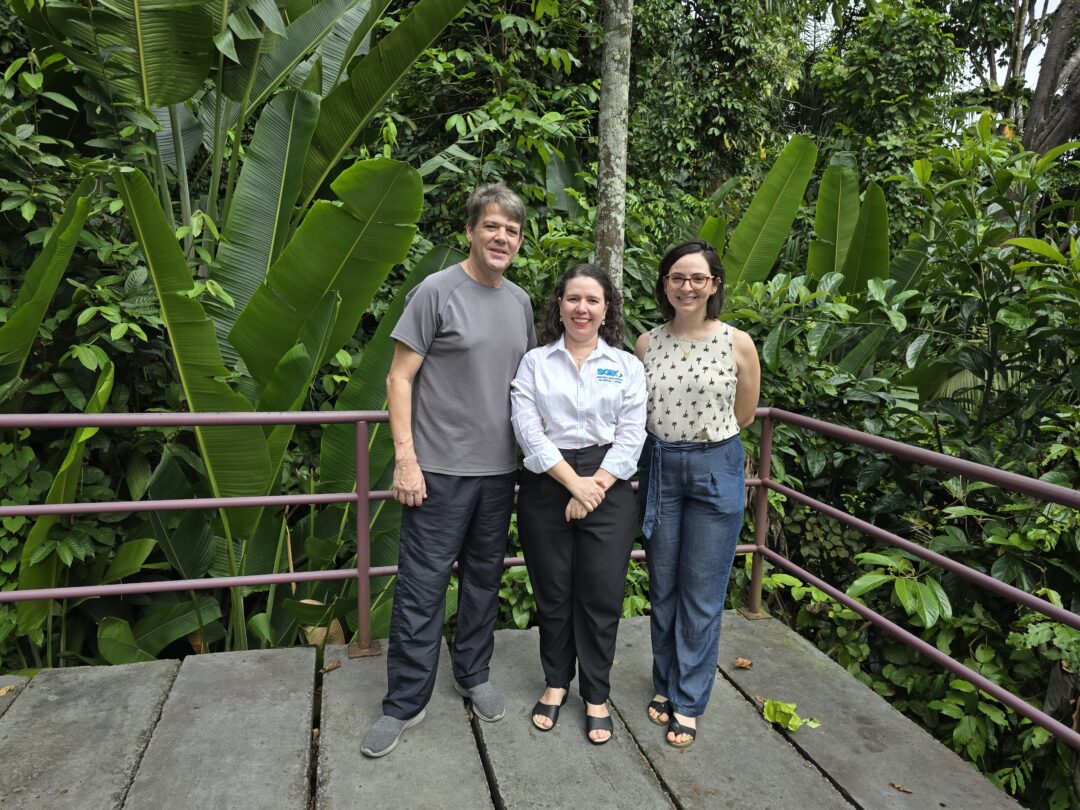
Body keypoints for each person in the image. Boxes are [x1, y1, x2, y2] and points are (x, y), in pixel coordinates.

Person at [361, 183, 537, 758]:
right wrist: (405, 458)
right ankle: (404, 702)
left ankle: (473, 673)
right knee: (422, 588)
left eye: (511, 231)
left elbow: (527, 387)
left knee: (484, 582)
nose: (501, 238)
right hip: (435, 472)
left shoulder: (520, 303)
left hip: (498, 474)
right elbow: (398, 378)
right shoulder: (437, 291)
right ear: (470, 231)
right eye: (492, 227)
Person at [510, 264, 646, 745]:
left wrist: (595, 487)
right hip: (548, 483)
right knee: (553, 594)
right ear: (560, 306)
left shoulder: (627, 365)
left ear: (606, 309)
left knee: (600, 595)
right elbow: (527, 428)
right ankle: (555, 683)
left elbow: (632, 436)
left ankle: (596, 693)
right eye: (573, 299)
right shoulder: (535, 363)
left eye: (592, 300)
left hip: (608, 484)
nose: (582, 308)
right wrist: (575, 487)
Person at [634, 240, 761, 750]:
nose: (687, 287)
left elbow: (745, 412)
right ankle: (664, 682)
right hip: (661, 465)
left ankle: (688, 700)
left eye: (698, 278)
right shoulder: (646, 344)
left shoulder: (737, 342)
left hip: (715, 466)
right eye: (677, 277)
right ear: (665, 283)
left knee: (702, 593)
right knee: (663, 586)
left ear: (714, 284)